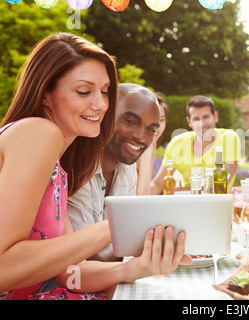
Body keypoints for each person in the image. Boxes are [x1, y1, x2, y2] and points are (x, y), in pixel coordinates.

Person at [0, 33, 191, 300]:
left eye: (105, 91)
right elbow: (3, 268)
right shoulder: (39, 133)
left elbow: (70, 273)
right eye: (83, 91)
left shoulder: (58, 165)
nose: (101, 105)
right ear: (45, 94)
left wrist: (134, 268)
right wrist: (126, 218)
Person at [67, 83, 161, 262]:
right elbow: (86, 255)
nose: (141, 137)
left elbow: (124, 239)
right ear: (106, 115)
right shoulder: (77, 166)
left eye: (151, 129)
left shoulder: (128, 168)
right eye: (131, 121)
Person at [149, 95, 240, 194]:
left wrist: (177, 191)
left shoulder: (229, 138)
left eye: (206, 117)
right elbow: (158, 184)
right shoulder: (177, 143)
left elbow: (218, 185)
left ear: (215, 117)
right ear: (189, 122)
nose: (201, 124)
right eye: (196, 119)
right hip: (186, 205)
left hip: (216, 205)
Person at [136, 94, 169, 195]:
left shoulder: (151, 145)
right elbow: (141, 196)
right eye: (151, 119)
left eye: (161, 120)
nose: (157, 126)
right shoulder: (139, 148)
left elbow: (147, 190)